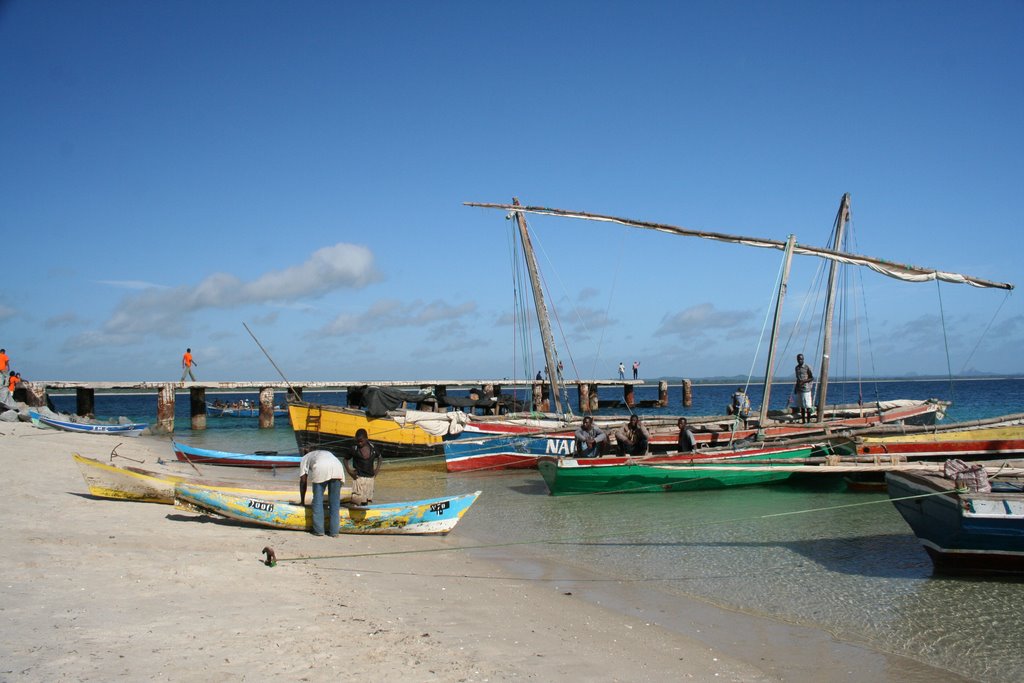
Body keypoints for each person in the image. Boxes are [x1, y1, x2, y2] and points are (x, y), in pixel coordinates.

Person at [299, 449, 346, 537]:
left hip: (321, 468)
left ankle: (319, 530)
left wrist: (302, 501)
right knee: (335, 503)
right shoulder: (325, 452)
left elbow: (303, 480)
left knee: (317, 501)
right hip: (338, 467)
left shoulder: (305, 457)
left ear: (305, 453)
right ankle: (334, 532)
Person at [344, 428, 381, 505]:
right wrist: (349, 471)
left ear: (366, 439)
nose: (359, 443)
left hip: (370, 479)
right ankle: (355, 514)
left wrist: (377, 470)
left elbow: (380, 457)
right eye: (357, 441)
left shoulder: (373, 448)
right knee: (356, 500)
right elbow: (345, 459)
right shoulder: (354, 449)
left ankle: (363, 513)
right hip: (358, 478)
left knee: (366, 500)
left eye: (361, 441)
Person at [794, 353, 815, 423]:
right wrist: (796, 388)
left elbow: (812, 378)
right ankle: (803, 421)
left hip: (806, 389)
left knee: (808, 406)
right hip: (799, 389)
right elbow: (797, 379)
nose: (800, 360)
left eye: (801, 359)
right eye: (799, 359)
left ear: (803, 359)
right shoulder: (797, 368)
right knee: (802, 406)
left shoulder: (807, 367)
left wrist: (804, 381)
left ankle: (808, 421)